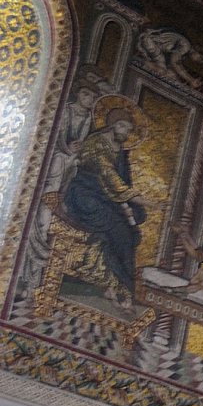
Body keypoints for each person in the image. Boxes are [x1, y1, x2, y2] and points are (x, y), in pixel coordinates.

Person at [58, 97, 147, 301]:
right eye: (126, 129)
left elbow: (125, 181)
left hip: (107, 199)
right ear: (117, 125)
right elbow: (111, 178)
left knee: (133, 229)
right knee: (121, 232)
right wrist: (146, 201)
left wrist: (134, 206)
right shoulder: (96, 144)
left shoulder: (121, 153)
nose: (128, 134)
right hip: (83, 194)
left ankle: (113, 284)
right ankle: (125, 287)